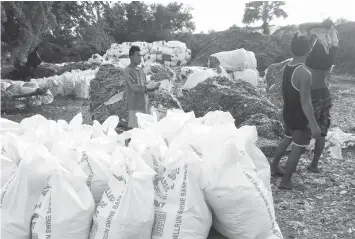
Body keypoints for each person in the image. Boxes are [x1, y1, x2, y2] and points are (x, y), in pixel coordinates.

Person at [271, 19, 339, 178]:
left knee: (290, 137)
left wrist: (318, 29)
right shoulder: (329, 59)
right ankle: (314, 164)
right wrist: (331, 28)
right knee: (321, 132)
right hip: (323, 96)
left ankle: (276, 167)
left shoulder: (303, 63)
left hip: (304, 99)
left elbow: (304, 35)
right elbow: (335, 44)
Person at [271, 33, 322, 189]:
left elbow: (284, 90)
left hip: (288, 111)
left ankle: (273, 166)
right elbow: (305, 102)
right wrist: (313, 124)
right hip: (299, 116)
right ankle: (286, 181)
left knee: (286, 139)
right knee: (297, 147)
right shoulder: (304, 73)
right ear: (308, 51)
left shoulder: (288, 66)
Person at [124, 46, 160, 129]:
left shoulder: (140, 70)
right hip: (134, 105)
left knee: (145, 128)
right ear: (131, 57)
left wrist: (153, 87)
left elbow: (144, 84)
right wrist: (147, 87)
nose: (141, 58)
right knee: (136, 131)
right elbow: (134, 87)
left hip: (144, 103)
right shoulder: (128, 70)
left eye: (141, 56)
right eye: (138, 55)